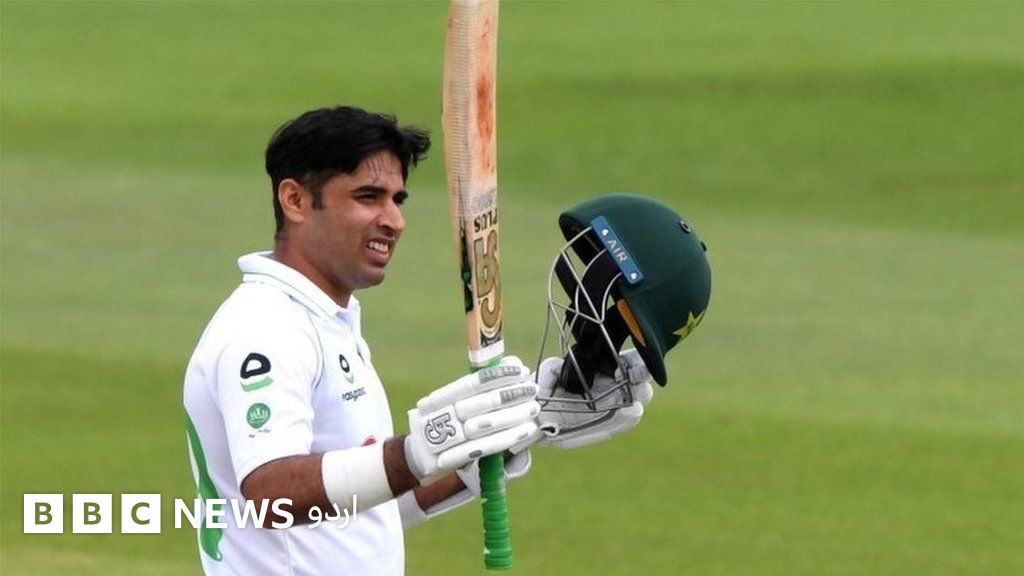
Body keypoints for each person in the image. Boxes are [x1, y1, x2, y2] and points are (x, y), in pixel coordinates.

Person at [183, 105, 710, 576]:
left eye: (397, 199)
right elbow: (270, 495)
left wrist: (507, 437)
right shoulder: (266, 328)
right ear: (296, 200)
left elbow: (365, 516)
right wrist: (415, 453)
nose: (394, 220)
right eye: (368, 197)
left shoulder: (327, 322)